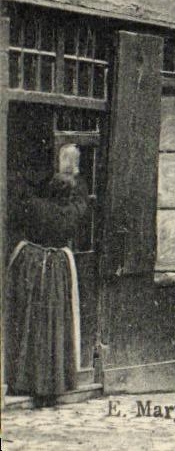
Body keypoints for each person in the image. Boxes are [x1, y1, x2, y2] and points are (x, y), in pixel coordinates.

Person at [5, 142, 89, 405]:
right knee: (53, 323)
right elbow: (73, 219)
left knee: (30, 321)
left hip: (32, 261)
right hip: (55, 265)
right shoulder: (75, 201)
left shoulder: (33, 200)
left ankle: (24, 380)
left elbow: (21, 210)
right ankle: (51, 383)